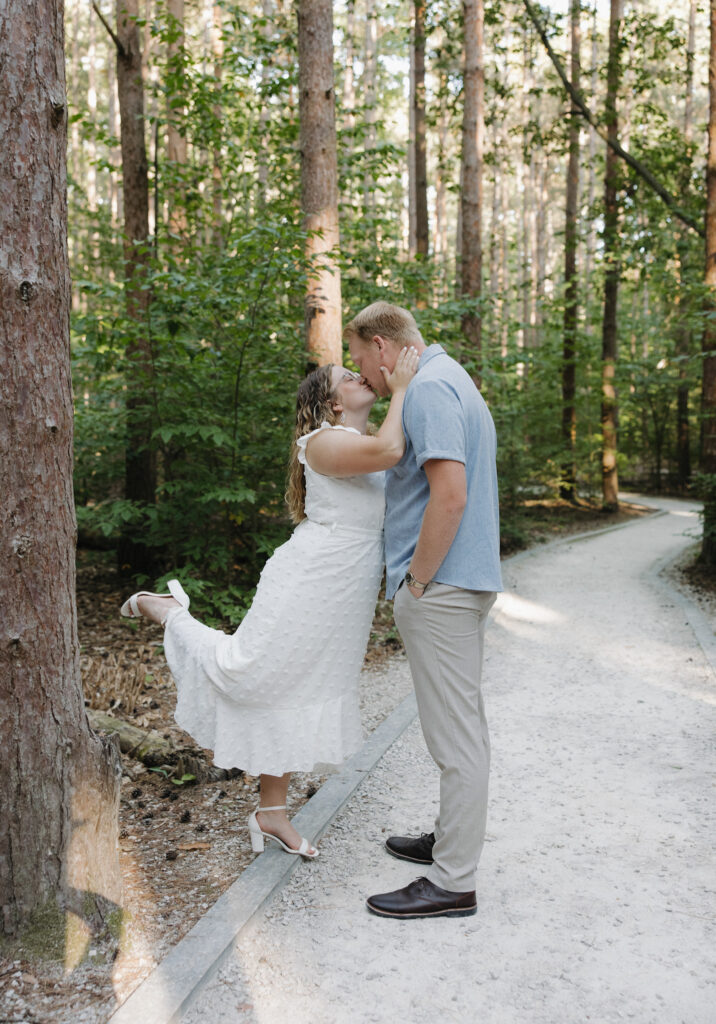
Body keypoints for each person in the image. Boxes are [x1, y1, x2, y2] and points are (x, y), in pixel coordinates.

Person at [120, 348, 419, 859]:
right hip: (310, 577)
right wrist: (405, 385)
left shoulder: (360, 438)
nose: (359, 375)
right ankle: (167, 611)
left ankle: (271, 813)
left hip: (347, 587)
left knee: (297, 686)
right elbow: (392, 453)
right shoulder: (322, 442)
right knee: (251, 670)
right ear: (332, 404)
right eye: (348, 376)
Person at [346, 301, 502, 919]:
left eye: (362, 360)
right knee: (458, 724)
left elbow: (452, 495)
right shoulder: (450, 376)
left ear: (384, 347)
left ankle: (453, 879)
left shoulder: (430, 390)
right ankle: (449, 839)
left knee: (455, 736)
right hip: (460, 583)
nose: (364, 374)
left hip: (442, 588)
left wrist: (417, 579)